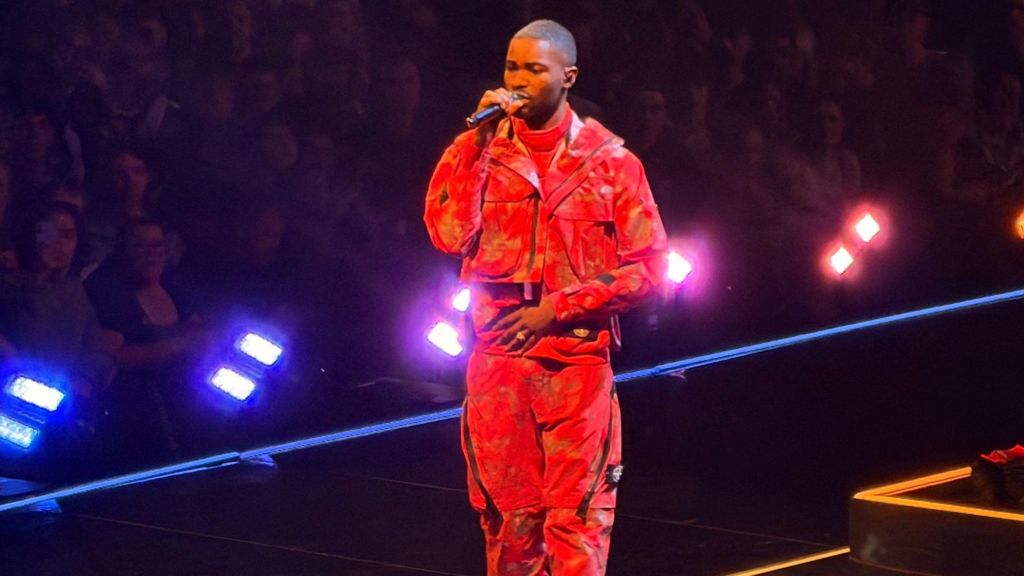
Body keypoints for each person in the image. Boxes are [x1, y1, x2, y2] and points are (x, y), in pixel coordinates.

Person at [423, 20, 667, 575]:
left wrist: (557, 308)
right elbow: (447, 234)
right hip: (499, 371)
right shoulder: (476, 151)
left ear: (568, 76)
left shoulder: (612, 165)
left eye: (535, 69)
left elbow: (650, 268)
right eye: (512, 66)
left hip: (576, 371)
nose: (519, 79)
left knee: (577, 524)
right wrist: (477, 148)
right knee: (510, 525)